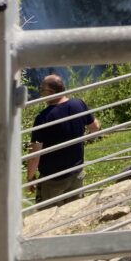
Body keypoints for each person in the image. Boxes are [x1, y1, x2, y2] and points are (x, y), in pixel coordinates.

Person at [26, 74, 100, 209]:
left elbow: (34, 156)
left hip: (52, 180)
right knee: (74, 211)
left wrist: (30, 178)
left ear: (50, 92)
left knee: (48, 216)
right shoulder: (79, 104)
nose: (41, 93)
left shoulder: (43, 118)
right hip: (76, 173)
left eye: (42, 90)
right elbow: (95, 127)